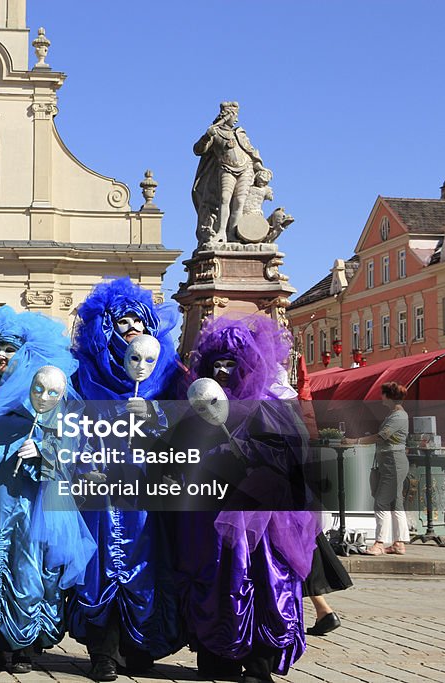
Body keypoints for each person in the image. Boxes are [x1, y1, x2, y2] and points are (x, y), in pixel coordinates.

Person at [179, 315, 319, 683]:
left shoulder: (271, 404)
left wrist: (248, 451)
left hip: (263, 519)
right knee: (216, 582)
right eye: (217, 364)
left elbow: (292, 453)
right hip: (211, 516)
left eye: (231, 364)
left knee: (262, 581)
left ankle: (259, 663)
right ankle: (217, 656)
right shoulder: (199, 408)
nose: (223, 371)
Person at [0, 306, 95, 674]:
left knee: (28, 568)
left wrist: (44, 448)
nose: (2, 356)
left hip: (29, 504)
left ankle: (22, 647)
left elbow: (72, 448)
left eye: (11, 350)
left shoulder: (45, 400)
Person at [67, 277, 184, 681]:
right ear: (107, 329)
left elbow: (185, 432)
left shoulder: (164, 375)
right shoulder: (85, 373)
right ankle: (102, 651)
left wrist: (154, 419)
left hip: (144, 492)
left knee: (144, 565)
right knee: (98, 566)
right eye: (123, 323)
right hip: (98, 487)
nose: (132, 329)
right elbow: (69, 424)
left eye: (139, 322)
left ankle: (138, 646)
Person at [346, 382, 410, 556]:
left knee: (381, 501)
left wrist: (355, 441)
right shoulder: (395, 414)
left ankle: (380, 543)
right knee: (396, 503)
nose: (381, 397)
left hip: (393, 462)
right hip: (391, 461)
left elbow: (382, 437)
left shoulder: (398, 416)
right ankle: (399, 543)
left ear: (389, 396)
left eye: (383, 394)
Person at [192, 101, 265, 244]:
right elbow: (198, 150)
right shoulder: (215, 132)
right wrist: (206, 136)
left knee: (239, 202)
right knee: (224, 199)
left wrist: (260, 167)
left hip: (246, 169)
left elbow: (250, 151)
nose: (236, 119)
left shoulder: (239, 133)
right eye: (234, 116)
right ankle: (221, 232)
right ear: (227, 115)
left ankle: (233, 234)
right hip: (226, 168)